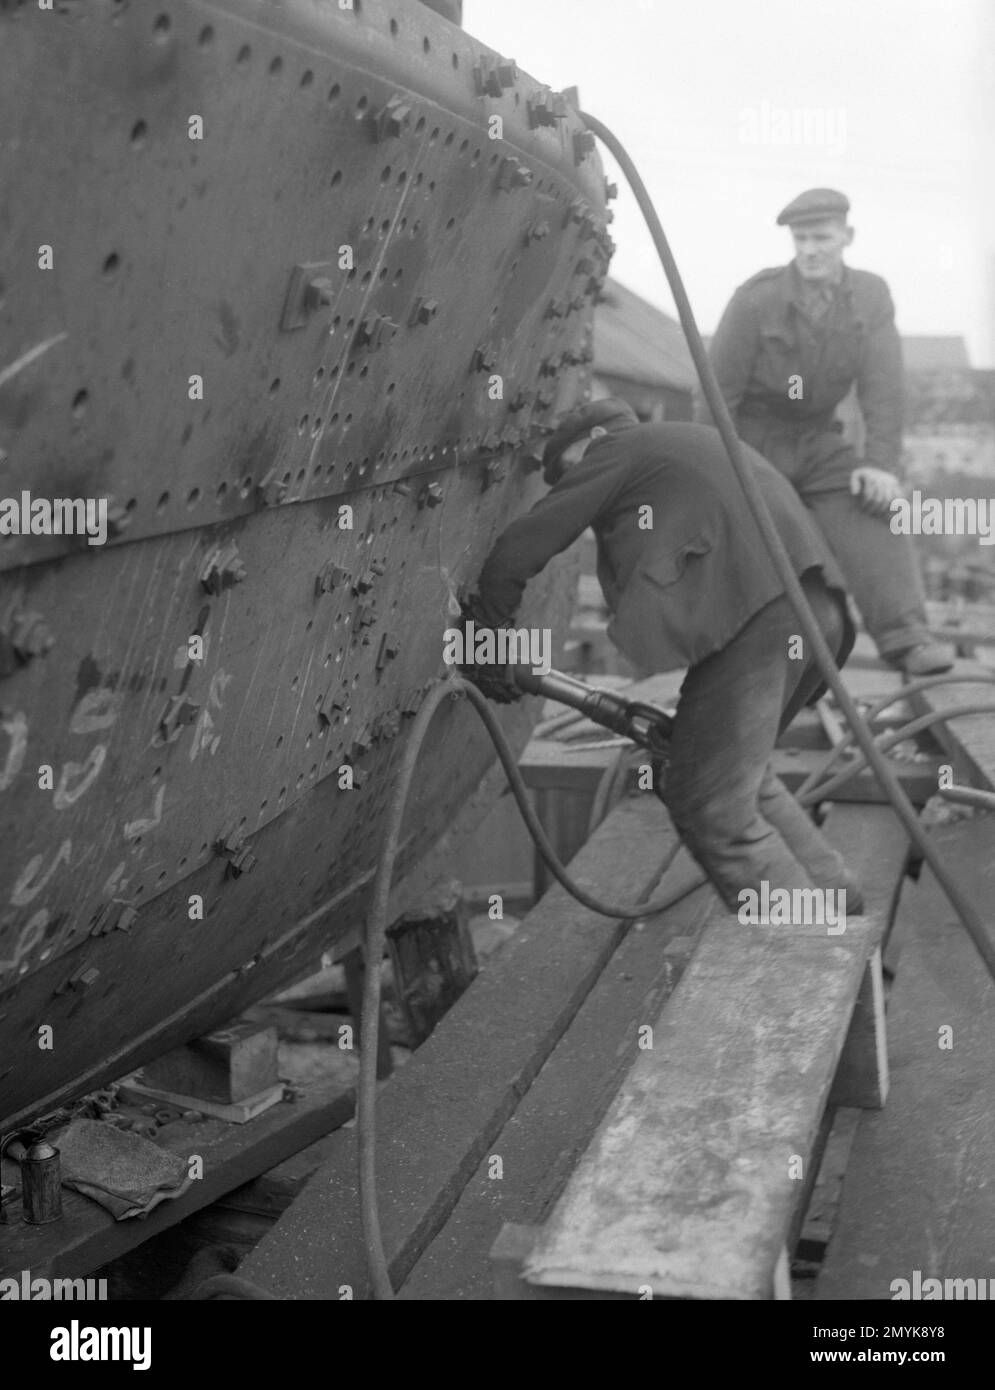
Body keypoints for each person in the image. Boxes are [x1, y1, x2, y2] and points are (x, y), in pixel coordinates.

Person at [464, 397, 864, 914]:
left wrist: (484, 631)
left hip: (761, 618)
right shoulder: (684, 447)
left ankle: (807, 962)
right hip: (816, 614)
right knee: (739, 778)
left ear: (591, 443)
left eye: (565, 472)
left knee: (712, 807)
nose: (570, 485)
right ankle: (842, 907)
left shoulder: (616, 450)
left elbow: (530, 541)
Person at [698, 187, 951, 676]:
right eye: (801, 238)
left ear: (846, 237)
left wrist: (879, 465)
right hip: (753, 440)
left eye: (821, 237)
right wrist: (719, 468)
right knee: (751, 534)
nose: (810, 249)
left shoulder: (871, 296)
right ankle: (728, 651)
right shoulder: (756, 298)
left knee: (876, 505)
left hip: (816, 439)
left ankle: (907, 637)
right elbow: (714, 394)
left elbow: (884, 388)